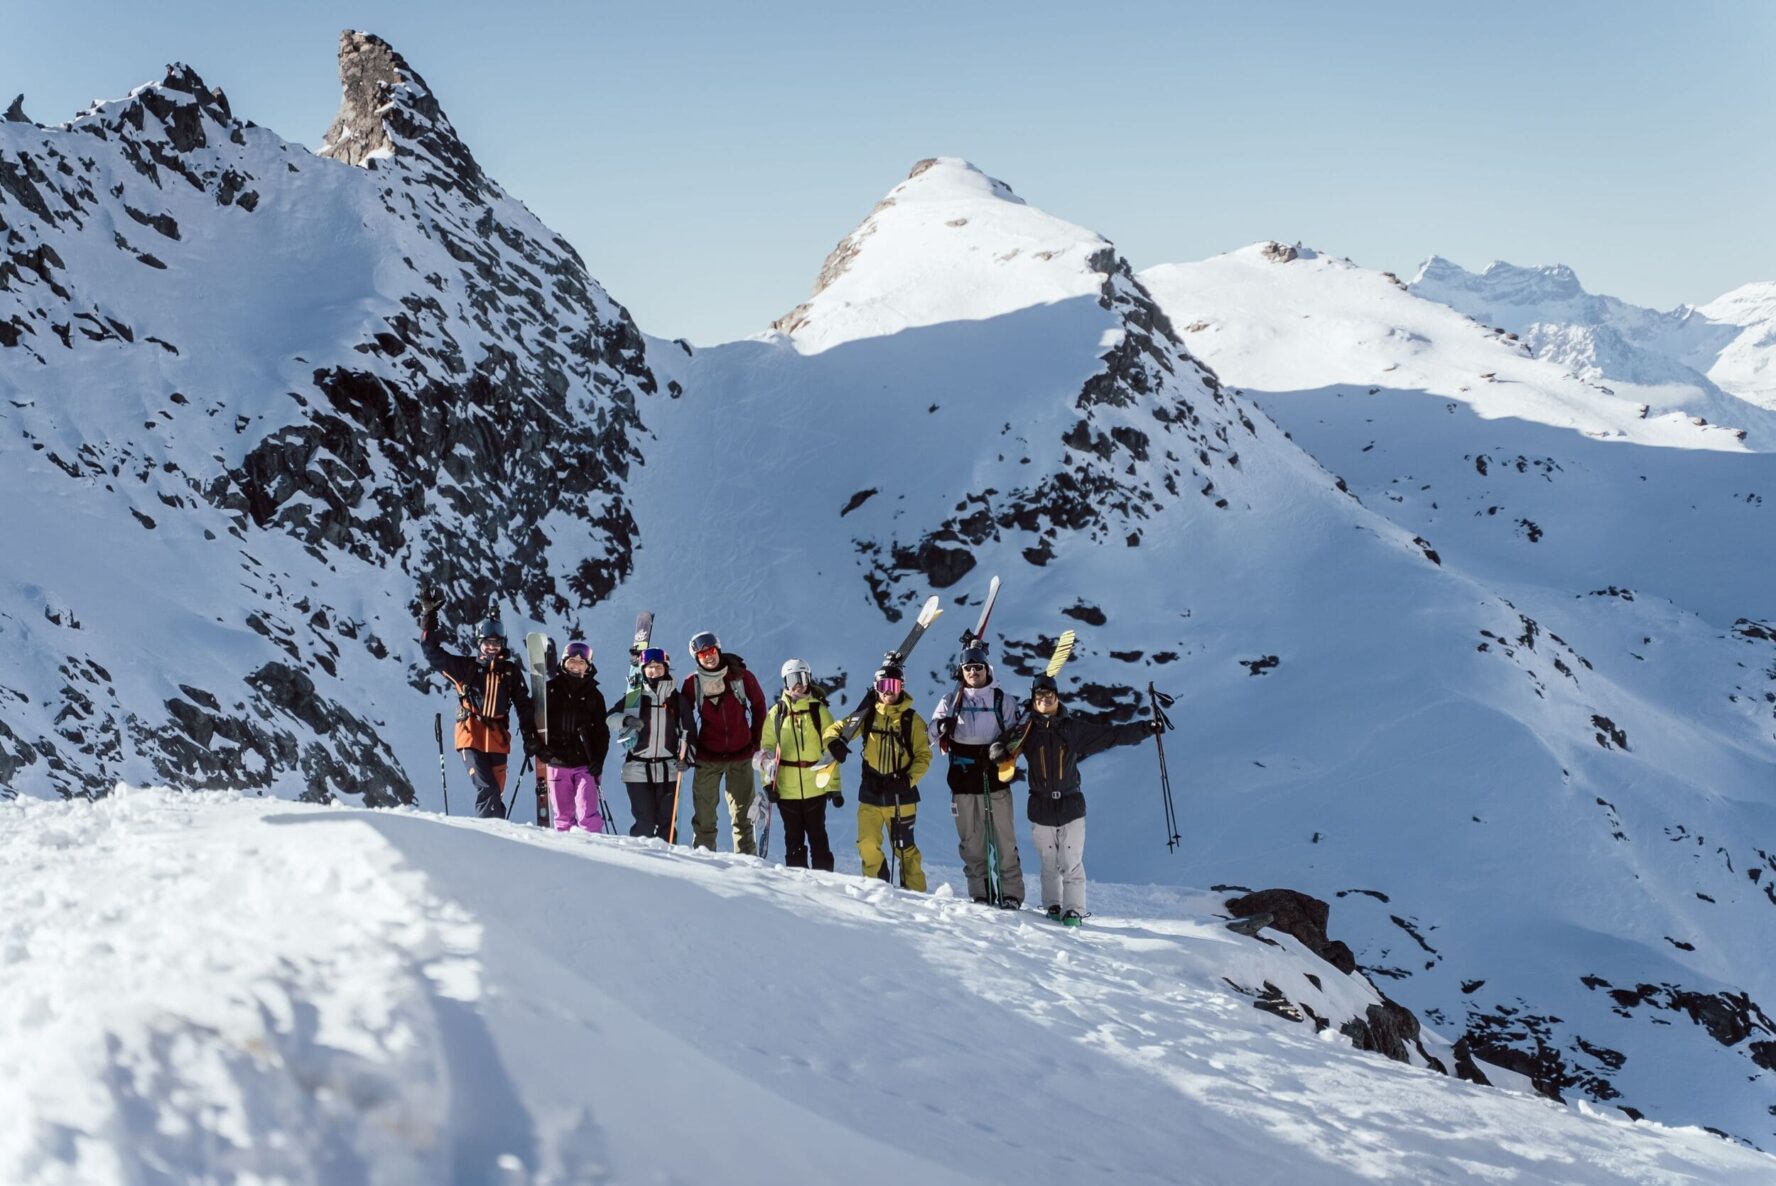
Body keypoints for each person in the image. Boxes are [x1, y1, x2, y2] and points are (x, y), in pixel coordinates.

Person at [990, 674, 1161, 925]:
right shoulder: (1026, 730)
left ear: (1057, 697)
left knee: (1070, 863)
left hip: (1071, 805)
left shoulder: (1072, 728)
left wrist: (1148, 728)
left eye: (1049, 696)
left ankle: (1074, 911)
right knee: (1048, 863)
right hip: (1040, 806)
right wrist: (997, 751)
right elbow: (1000, 746)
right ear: (1034, 701)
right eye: (1039, 697)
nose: (1045, 700)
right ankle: (1053, 906)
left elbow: (1112, 735)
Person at [417, 590, 535, 819]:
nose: (492, 647)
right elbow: (431, 653)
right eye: (487, 643)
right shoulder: (466, 668)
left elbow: (523, 703)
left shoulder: (510, 672)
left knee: (495, 793)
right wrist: (428, 619)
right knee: (487, 788)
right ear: (479, 643)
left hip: (499, 739)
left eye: (496, 643)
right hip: (470, 735)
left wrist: (530, 733)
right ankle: (486, 841)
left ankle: (499, 840)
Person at [929, 644, 1026, 908]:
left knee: (1004, 839)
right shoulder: (951, 701)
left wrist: (1002, 748)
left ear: (987, 669)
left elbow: (1018, 735)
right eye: (968, 668)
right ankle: (980, 893)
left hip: (994, 777)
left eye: (978, 667)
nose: (973, 672)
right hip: (962, 780)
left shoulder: (1002, 700)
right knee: (972, 843)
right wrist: (941, 725)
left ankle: (1011, 894)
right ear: (961, 671)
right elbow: (929, 735)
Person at [824, 661, 931, 891]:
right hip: (871, 791)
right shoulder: (867, 716)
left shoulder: (911, 720)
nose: (888, 691)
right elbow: (836, 728)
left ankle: (917, 896)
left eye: (893, 684)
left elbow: (924, 756)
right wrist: (834, 742)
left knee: (905, 848)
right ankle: (876, 888)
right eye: (883, 685)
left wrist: (907, 780)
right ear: (876, 688)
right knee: (867, 844)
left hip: (901, 794)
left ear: (901, 686)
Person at [680, 630, 767, 852]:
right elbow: (683, 718)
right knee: (704, 818)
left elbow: (759, 706)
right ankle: (704, 864)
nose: (708, 657)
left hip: (741, 756)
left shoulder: (741, 677)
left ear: (717, 650)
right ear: (696, 659)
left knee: (743, 817)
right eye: (701, 655)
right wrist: (685, 750)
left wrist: (756, 744)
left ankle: (747, 865)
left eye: (710, 651)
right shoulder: (693, 683)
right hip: (707, 758)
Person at [757, 658, 842, 871]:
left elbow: (830, 751)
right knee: (793, 839)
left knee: (818, 835)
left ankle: (826, 879)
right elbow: (766, 749)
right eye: (793, 679)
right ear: (785, 682)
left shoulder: (819, 711)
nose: (798, 684)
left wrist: (834, 787)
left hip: (815, 785)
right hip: (787, 789)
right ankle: (798, 884)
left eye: (802, 678)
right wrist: (768, 782)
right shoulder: (777, 713)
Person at [613, 647, 690, 840]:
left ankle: (668, 866)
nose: (654, 671)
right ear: (643, 670)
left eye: (658, 667)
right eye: (649, 667)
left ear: (666, 669)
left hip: (669, 769)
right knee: (644, 824)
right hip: (637, 769)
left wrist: (687, 759)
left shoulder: (676, 699)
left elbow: (689, 731)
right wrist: (626, 721)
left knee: (667, 826)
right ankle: (639, 866)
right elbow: (609, 718)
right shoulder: (634, 697)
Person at [537, 640, 611, 833]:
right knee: (563, 817)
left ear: (588, 666)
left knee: (587, 814)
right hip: (556, 763)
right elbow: (534, 721)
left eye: (581, 662)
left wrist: (598, 760)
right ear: (564, 663)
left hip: (585, 763)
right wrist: (537, 746)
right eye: (572, 661)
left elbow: (602, 733)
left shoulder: (595, 695)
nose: (576, 665)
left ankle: (596, 852)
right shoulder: (549, 689)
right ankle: (566, 857)